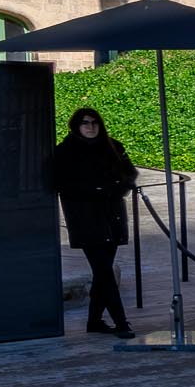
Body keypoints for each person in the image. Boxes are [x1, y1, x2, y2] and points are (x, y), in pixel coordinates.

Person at [53, 106, 139, 338]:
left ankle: (94, 321)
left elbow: (129, 174)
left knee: (102, 273)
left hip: (112, 216)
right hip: (86, 219)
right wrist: (98, 190)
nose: (90, 127)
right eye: (85, 123)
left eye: (94, 122)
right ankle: (121, 322)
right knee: (104, 271)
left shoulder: (113, 147)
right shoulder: (65, 152)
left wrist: (115, 188)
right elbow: (61, 184)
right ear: (76, 126)